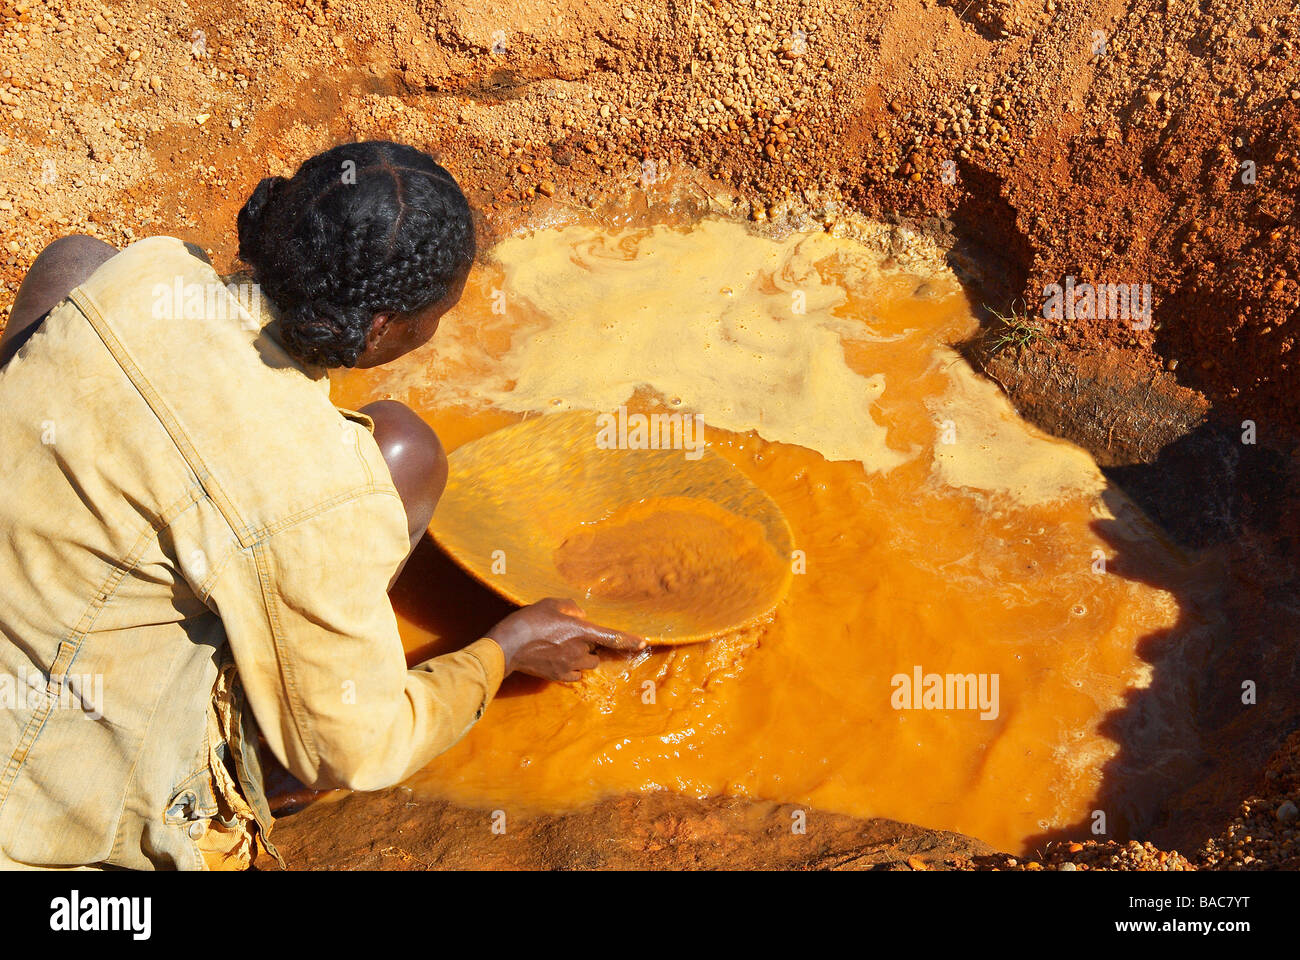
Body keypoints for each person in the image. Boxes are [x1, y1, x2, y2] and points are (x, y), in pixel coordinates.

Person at [0, 140, 643, 871]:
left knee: (78, 259)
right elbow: (366, 751)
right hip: (38, 818)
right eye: (436, 315)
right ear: (381, 328)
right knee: (405, 454)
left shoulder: (150, 269)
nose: (435, 333)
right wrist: (503, 652)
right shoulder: (318, 492)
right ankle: (267, 764)